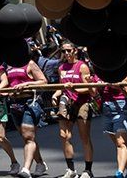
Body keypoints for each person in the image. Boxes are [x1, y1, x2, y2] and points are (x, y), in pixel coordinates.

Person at [53, 44, 96, 178]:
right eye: (63, 51)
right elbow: (62, 86)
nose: (66, 53)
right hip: (67, 103)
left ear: (74, 51)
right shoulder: (61, 68)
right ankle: (70, 170)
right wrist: (55, 94)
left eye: (68, 50)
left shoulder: (82, 66)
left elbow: (89, 88)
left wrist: (75, 89)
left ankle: (88, 170)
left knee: (84, 137)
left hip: (81, 102)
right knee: (64, 136)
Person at [5, 57, 49, 178]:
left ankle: (26, 169)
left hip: (30, 103)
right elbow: (6, 84)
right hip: (14, 104)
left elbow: (43, 81)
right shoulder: (8, 66)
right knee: (28, 138)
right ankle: (40, 163)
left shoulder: (29, 63)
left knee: (28, 137)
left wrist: (27, 83)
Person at [100, 71, 127, 178]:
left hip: (121, 110)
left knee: (121, 143)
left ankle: (119, 173)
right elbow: (93, 93)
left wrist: (119, 87)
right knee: (119, 145)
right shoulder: (100, 76)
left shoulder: (123, 76)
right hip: (107, 110)